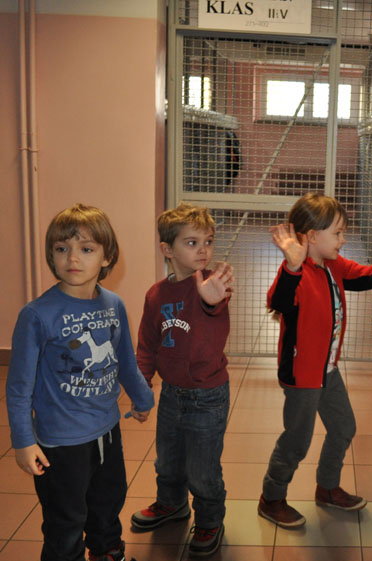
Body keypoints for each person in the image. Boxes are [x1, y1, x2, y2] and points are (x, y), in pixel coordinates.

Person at [257, 193, 372, 528]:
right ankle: (272, 498)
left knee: (343, 428)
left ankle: (327, 488)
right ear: (313, 236)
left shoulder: (333, 266)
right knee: (296, 442)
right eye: (338, 233)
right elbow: (278, 301)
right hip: (302, 376)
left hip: (327, 370)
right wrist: (292, 267)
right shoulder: (297, 274)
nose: (343, 239)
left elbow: (371, 276)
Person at [6, 204, 154, 561]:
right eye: (62, 248)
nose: (72, 258)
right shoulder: (37, 315)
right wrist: (23, 441)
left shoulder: (113, 304)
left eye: (86, 249)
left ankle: (107, 553)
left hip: (107, 431)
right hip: (60, 442)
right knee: (66, 522)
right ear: (51, 255)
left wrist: (143, 398)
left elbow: (124, 360)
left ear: (107, 257)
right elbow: (19, 387)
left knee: (108, 503)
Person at [130, 203, 234, 557]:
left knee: (203, 469)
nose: (203, 250)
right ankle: (171, 504)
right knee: (168, 461)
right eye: (192, 243)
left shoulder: (212, 286)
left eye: (208, 241)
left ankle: (209, 520)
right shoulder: (156, 295)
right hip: (172, 394)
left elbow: (216, 312)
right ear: (167, 249)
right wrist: (142, 388)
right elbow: (147, 345)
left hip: (208, 395)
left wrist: (211, 302)